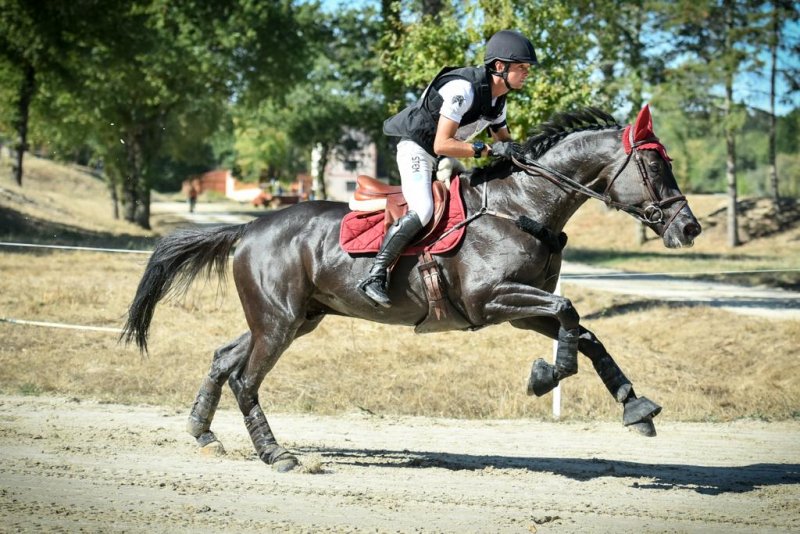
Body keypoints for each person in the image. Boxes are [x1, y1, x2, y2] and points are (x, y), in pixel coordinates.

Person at [358, 29, 538, 308]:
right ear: (500, 67)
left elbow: (506, 144)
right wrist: (487, 150)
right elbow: (443, 143)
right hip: (418, 150)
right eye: (522, 67)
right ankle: (375, 275)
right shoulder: (462, 89)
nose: (527, 73)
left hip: (441, 156)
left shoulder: (498, 100)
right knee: (424, 209)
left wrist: (529, 159)